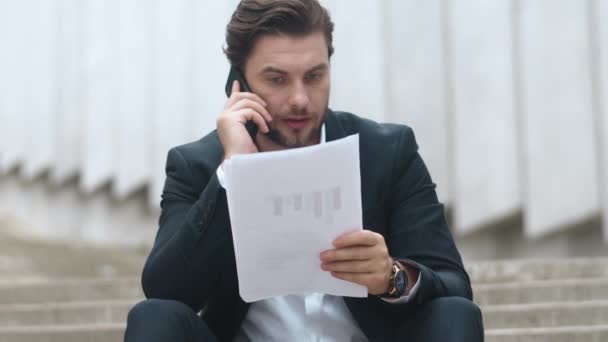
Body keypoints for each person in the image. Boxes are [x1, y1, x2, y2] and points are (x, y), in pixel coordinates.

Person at [124, 0, 483, 341]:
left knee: (456, 313)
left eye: (314, 76)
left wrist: (392, 277)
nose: (300, 98)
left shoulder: (388, 152)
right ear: (239, 82)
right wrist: (231, 173)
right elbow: (164, 290)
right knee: (154, 316)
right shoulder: (198, 166)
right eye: (277, 80)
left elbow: (454, 284)